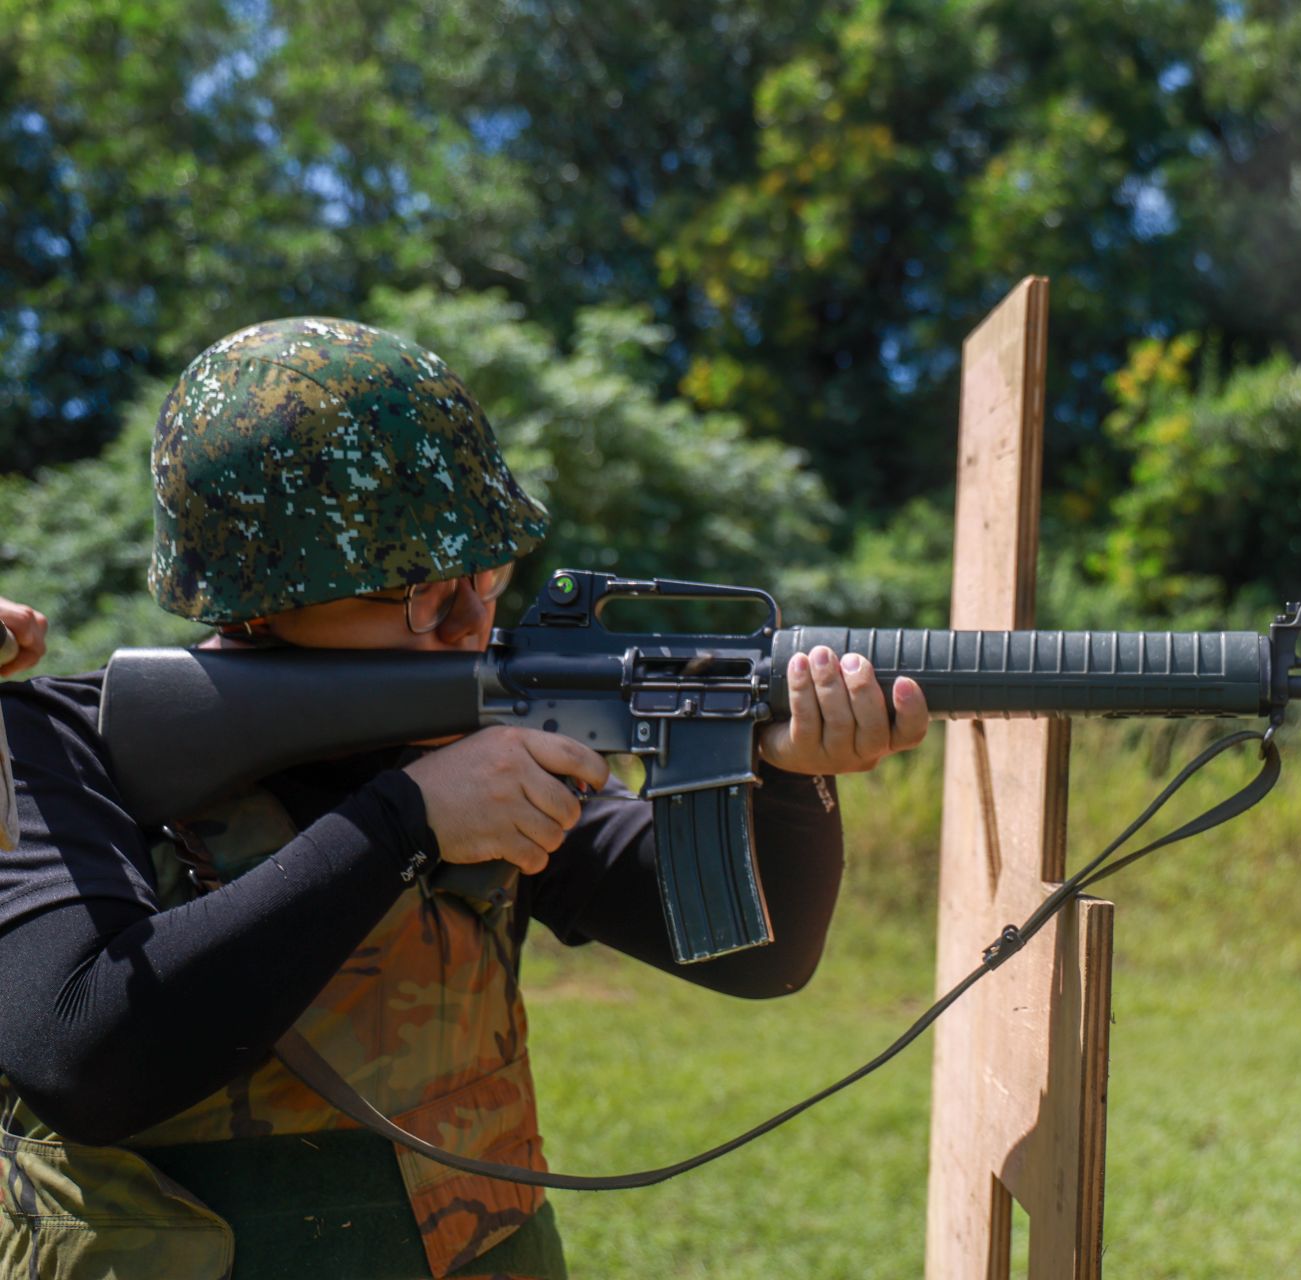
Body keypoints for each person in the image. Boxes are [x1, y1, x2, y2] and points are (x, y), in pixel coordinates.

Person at [0, 317, 928, 1280]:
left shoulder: (477, 724)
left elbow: (757, 956)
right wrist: (403, 821)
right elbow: (81, 1056)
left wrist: (784, 775)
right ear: (259, 594)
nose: (475, 622)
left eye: (487, 575)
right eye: (420, 597)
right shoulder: (66, 741)